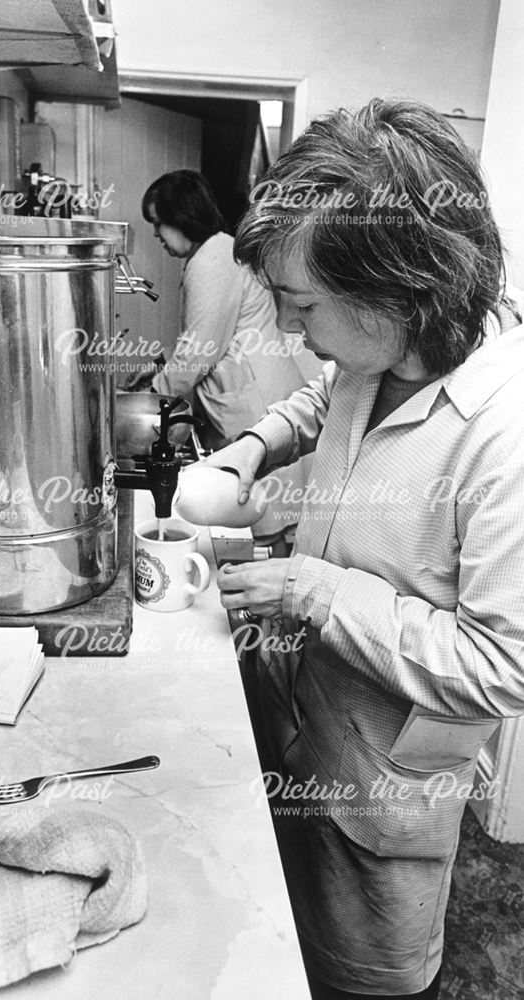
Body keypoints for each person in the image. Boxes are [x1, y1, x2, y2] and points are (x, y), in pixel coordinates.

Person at [206, 98, 524, 999]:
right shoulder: (372, 350)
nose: (290, 328)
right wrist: (255, 444)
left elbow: (503, 665)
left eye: (299, 305)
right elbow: (321, 397)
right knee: (278, 940)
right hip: (300, 714)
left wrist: (314, 590)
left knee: (363, 973)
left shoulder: (507, 434)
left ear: (400, 289)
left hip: (382, 781)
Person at [129, 169, 321, 453]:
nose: (156, 233)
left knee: (266, 494)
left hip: (258, 402)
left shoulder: (214, 259)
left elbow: (200, 351)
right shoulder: (215, 252)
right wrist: (158, 363)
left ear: (181, 216)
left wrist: (152, 395)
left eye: (158, 223)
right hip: (256, 398)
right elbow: (206, 334)